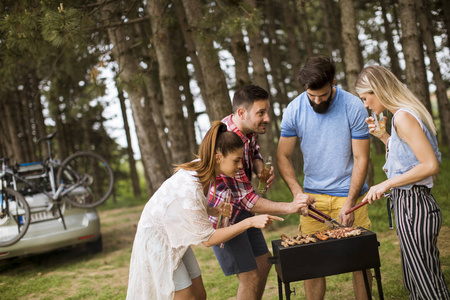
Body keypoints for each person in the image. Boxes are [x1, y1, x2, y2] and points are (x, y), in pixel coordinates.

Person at [126, 121, 288, 300]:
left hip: (174, 234)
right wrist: (249, 222)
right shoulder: (191, 187)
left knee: (199, 294)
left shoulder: (205, 169)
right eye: (236, 160)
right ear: (218, 157)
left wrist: (213, 210)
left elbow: (184, 207)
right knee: (187, 296)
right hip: (158, 238)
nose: (241, 166)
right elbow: (209, 239)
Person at [277, 54, 372, 300]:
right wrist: (298, 194)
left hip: (350, 196)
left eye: (323, 94)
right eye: (312, 95)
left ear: (334, 82)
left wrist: (351, 201)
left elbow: (361, 158)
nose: (317, 100)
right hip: (313, 200)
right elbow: (283, 156)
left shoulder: (353, 106)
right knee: (312, 265)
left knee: (361, 262)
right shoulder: (294, 109)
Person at [208, 85, 315, 299]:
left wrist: (259, 170)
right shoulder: (228, 140)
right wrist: (291, 207)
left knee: (264, 264)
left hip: (243, 211)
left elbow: (254, 151)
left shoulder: (246, 128)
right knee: (250, 278)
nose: (267, 118)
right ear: (241, 112)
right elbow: (248, 200)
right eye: (261, 113)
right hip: (226, 217)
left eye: (267, 111)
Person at [355, 65, 450, 300]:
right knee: (415, 279)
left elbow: (429, 165)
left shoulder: (403, 116)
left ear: (378, 89)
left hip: (414, 206)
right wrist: (385, 138)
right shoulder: (402, 114)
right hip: (410, 205)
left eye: (366, 98)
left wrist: (386, 184)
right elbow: (409, 159)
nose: (366, 104)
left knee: (427, 285)